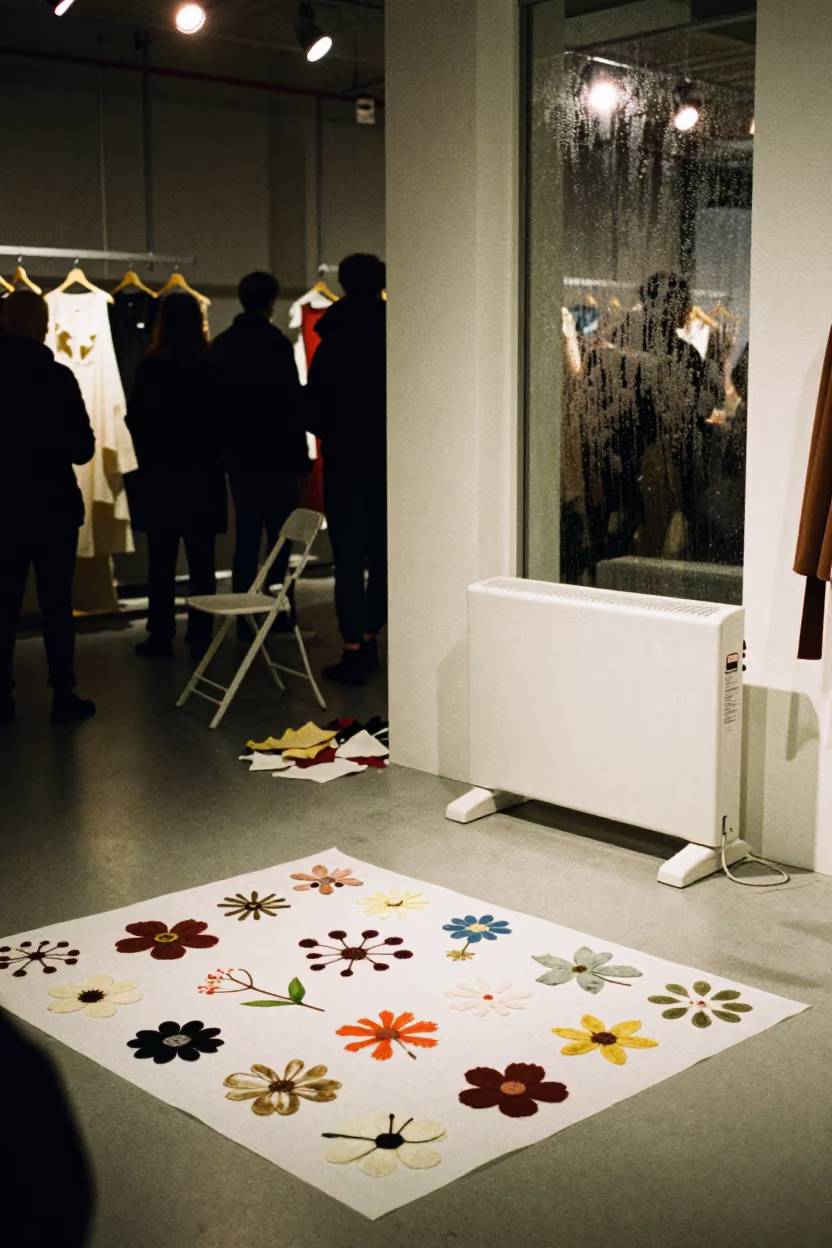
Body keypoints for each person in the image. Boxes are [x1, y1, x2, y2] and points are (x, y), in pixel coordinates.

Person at [0, 290, 96, 724]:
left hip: (5, 507)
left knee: (4, 603)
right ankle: (63, 693)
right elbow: (82, 449)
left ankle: (2, 695)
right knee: (57, 604)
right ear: (42, 325)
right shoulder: (58, 378)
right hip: (53, 505)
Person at [126, 293, 226, 660]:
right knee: (202, 561)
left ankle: (160, 634)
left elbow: (135, 418)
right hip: (202, 473)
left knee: (161, 561)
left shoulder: (151, 365)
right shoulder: (212, 364)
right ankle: (201, 633)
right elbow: (224, 420)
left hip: (162, 475)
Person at [306, 254, 387, 685]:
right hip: (390, 463)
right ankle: (373, 632)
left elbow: (313, 411)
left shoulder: (332, 337)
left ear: (342, 283)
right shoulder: (399, 332)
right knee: (386, 555)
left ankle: (354, 645)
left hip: (344, 463)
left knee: (349, 560)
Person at [213, 271, 308, 637]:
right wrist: (301, 462)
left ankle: (245, 614)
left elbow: (218, 407)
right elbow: (291, 406)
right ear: (271, 301)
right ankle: (277, 609)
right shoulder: (277, 345)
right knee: (280, 539)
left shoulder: (223, 345)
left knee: (247, 535)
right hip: (278, 455)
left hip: (240, 457)